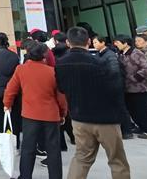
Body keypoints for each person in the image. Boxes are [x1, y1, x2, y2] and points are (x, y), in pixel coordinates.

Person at [55, 26, 130, 179]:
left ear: (68, 42)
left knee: (81, 158)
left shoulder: (60, 63)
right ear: (88, 41)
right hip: (106, 119)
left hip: (79, 118)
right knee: (117, 160)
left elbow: (61, 88)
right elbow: (115, 88)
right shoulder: (99, 62)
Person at [4, 41, 67, 179]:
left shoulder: (21, 69)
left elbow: (10, 89)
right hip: (51, 115)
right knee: (53, 149)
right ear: (44, 56)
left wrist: (7, 104)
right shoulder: (52, 72)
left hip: (30, 115)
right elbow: (61, 96)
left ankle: (25, 176)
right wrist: (63, 113)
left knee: (28, 148)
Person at [93, 36, 133, 140]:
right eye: (93, 42)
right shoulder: (99, 54)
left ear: (103, 42)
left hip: (115, 85)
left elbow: (114, 71)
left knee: (120, 107)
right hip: (108, 85)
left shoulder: (109, 54)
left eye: (96, 42)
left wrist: (104, 77)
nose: (94, 44)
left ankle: (127, 131)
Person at [113, 34, 147, 139]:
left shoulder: (136, 53)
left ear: (125, 43)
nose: (115, 44)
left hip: (140, 88)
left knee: (142, 112)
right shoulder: (120, 54)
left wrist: (135, 78)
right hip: (128, 88)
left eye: (117, 42)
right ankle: (142, 127)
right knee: (133, 111)